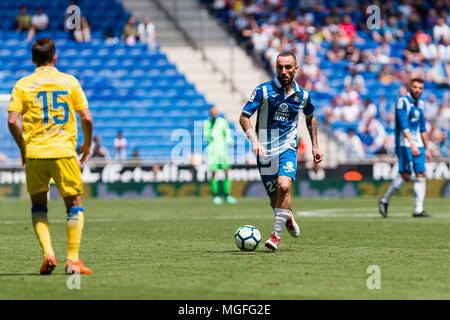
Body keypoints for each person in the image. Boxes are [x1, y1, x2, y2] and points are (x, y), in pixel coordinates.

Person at [7, 38, 93, 275]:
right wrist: (85, 144)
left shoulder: (23, 85)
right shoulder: (69, 82)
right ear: (55, 57)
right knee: (74, 205)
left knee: (38, 205)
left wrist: (23, 148)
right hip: (64, 152)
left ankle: (48, 254)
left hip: (35, 153)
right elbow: (87, 118)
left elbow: (12, 121)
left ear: (33, 60)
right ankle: (73, 260)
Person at [239, 51, 324, 251]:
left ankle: (275, 237)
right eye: (280, 67)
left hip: (287, 147)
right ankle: (288, 215)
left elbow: (310, 117)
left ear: (296, 69)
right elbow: (244, 117)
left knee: (284, 187)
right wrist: (254, 140)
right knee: (275, 199)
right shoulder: (263, 91)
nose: (283, 71)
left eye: (288, 67)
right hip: (265, 152)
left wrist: (314, 145)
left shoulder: (303, 95)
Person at [379, 78, 431, 218]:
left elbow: (423, 128)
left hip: (418, 144)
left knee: (421, 174)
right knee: (406, 175)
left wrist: (428, 148)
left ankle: (418, 209)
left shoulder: (420, 103)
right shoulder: (402, 102)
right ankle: (384, 200)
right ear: (410, 87)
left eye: (420, 88)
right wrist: (412, 144)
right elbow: (403, 126)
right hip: (404, 144)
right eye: (415, 87)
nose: (417, 90)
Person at [203, 106, 237, 205]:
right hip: (212, 151)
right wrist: (211, 130)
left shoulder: (222, 121)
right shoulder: (207, 123)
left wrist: (230, 142)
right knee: (213, 172)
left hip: (223, 151)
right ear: (210, 113)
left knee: (226, 171)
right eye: (212, 112)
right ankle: (216, 195)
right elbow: (206, 135)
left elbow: (227, 133)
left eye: (215, 112)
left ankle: (227, 195)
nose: (214, 113)